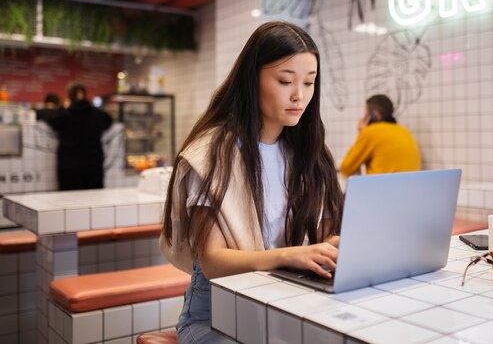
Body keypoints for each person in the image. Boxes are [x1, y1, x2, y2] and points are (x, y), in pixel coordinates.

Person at [160, 22, 343, 344]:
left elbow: (326, 231)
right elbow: (214, 261)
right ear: (252, 79)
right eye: (285, 81)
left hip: (288, 302)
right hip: (214, 315)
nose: (299, 95)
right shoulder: (213, 152)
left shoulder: (310, 152)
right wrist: (288, 256)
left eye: (309, 83)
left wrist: (333, 248)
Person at [47, 83, 113, 190]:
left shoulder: (63, 115)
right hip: (93, 166)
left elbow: (49, 119)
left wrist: (63, 106)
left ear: (69, 96)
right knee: (95, 201)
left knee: (70, 203)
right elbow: (109, 121)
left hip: (69, 167)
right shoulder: (99, 114)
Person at [340, 94, 421, 177]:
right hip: (410, 188)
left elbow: (346, 169)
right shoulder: (405, 132)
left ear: (375, 114)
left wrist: (361, 133)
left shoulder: (370, 132)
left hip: (383, 188)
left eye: (366, 113)